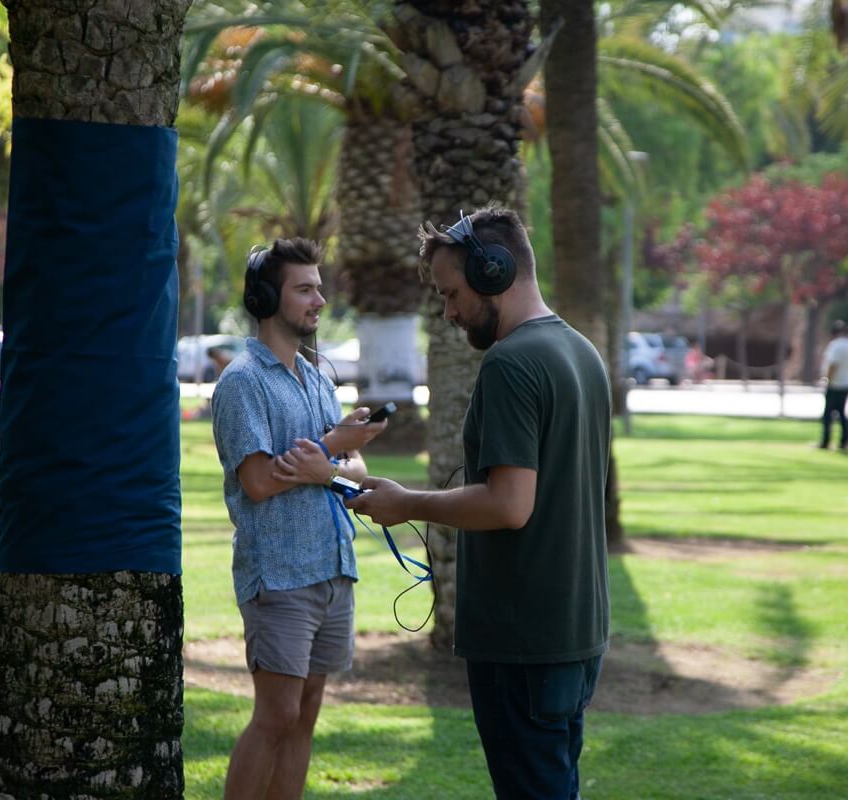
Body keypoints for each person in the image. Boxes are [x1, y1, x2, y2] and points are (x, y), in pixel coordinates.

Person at [347, 206, 611, 799]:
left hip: (523, 641)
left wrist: (409, 502)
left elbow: (509, 504)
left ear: (496, 271)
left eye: (453, 292)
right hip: (574, 630)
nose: (449, 312)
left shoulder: (511, 363)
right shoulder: (582, 354)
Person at [211, 238, 387, 799]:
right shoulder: (242, 382)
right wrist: (336, 442)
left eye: (319, 287)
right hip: (280, 576)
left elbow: (350, 468)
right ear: (267, 298)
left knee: (306, 714)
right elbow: (258, 482)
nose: (320, 299)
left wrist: (342, 450)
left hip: (333, 568)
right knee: (277, 715)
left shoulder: (315, 378)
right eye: (305, 289)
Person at [820, 319, 848, 450]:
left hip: (835, 383)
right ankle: (844, 441)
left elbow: (833, 364)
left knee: (828, 415)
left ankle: (826, 441)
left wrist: (828, 379)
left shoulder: (836, 345)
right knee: (842, 414)